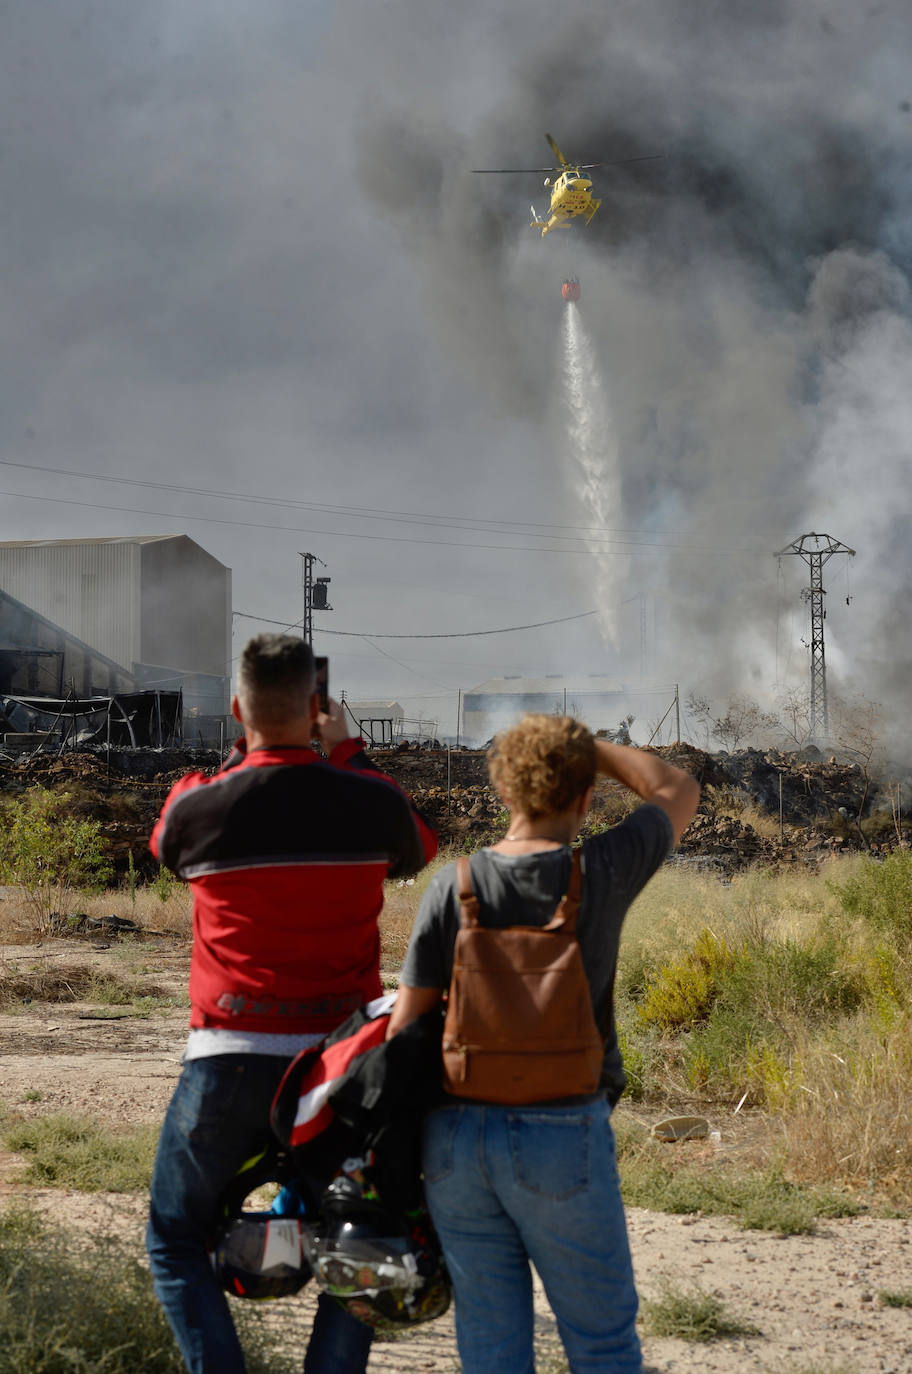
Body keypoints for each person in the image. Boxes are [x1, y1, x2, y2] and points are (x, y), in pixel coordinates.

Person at [145, 634, 437, 1374]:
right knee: (359, 1241)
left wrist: (249, 756)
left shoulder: (198, 806)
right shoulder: (370, 803)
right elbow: (421, 847)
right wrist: (349, 755)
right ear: (319, 708)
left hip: (229, 1059)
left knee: (177, 1237)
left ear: (238, 707)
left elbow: (166, 846)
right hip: (338, 1073)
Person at [387, 714, 700, 1374]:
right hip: (563, 1133)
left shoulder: (455, 885)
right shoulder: (605, 871)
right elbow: (676, 789)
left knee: (492, 1348)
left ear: (502, 790)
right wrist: (593, 752)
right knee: (602, 1343)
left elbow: (404, 1030)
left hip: (457, 1143)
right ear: (586, 797)